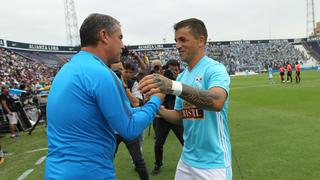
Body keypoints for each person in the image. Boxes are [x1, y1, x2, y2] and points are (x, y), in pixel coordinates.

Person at [45, 13, 164, 180]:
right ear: (104, 36)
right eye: (120, 37)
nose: (123, 45)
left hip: (57, 171)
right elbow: (129, 128)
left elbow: (114, 113)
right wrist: (157, 100)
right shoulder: (101, 73)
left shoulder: (67, 69)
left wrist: (142, 109)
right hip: (90, 173)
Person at [139, 18, 232, 180]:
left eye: (183, 40)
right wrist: (155, 107)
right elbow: (180, 115)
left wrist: (174, 87)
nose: (177, 45)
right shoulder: (182, 76)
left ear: (201, 40)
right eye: (176, 41)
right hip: (186, 162)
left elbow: (217, 101)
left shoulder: (215, 69)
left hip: (213, 164)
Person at [110, 61, 149, 180]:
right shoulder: (105, 84)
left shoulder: (132, 83)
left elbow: (136, 103)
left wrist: (124, 86)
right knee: (106, 159)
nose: (118, 72)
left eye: (120, 70)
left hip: (129, 126)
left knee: (139, 161)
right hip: (113, 129)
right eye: (114, 70)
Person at [151, 60, 184, 176]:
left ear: (178, 70)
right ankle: (157, 164)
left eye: (175, 70)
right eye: (170, 69)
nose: (172, 72)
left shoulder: (182, 80)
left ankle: (191, 163)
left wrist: (175, 80)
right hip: (162, 117)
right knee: (158, 143)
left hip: (176, 115)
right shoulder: (160, 81)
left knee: (185, 141)